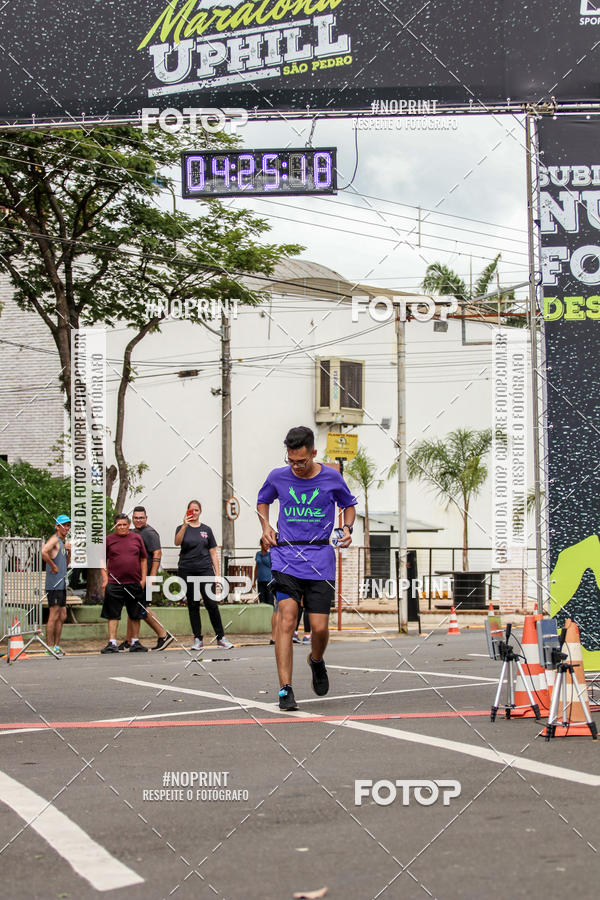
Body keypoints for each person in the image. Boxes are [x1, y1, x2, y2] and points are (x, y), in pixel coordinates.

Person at [257, 425, 356, 710]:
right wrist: (266, 526)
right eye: (291, 461)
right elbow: (262, 500)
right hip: (286, 555)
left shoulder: (331, 477)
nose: (297, 467)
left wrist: (347, 527)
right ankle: (285, 689)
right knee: (286, 618)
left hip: (320, 558)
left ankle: (316, 660)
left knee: (320, 628)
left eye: (302, 461)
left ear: (313, 453)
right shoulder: (277, 476)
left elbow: (348, 505)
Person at [174, 500, 234, 650]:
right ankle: (197, 639)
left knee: (211, 604)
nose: (193, 513)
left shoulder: (206, 530)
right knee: (193, 605)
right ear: (187, 511)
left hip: (205, 570)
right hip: (187, 570)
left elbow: (213, 552)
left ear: (200, 511)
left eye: (196, 510)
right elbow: (177, 542)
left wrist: (217, 574)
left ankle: (221, 638)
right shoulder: (181, 528)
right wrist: (184, 526)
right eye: (191, 510)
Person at [116, 506, 173, 652]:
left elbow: (157, 553)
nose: (138, 520)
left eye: (141, 517)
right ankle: (129, 641)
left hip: (145, 577)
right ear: (132, 519)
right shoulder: (134, 532)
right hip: (133, 578)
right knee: (134, 608)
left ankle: (163, 635)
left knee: (140, 608)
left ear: (146, 518)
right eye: (136, 518)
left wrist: (152, 575)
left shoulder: (150, 533)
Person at [100, 513, 148, 653]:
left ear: (129, 525)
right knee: (112, 614)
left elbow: (143, 559)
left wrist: (143, 579)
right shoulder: (109, 540)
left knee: (135, 613)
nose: (121, 527)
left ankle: (135, 641)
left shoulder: (137, 538)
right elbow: (102, 560)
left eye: (124, 525)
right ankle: (112, 642)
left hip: (134, 582)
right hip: (114, 583)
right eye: (118, 525)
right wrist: (104, 579)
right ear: (115, 526)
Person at [41, 514, 71, 656]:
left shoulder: (62, 542)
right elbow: (44, 552)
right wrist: (52, 566)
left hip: (61, 585)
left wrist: (69, 551)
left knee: (62, 614)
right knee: (54, 614)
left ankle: (56, 646)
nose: (66, 528)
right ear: (57, 526)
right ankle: (49, 646)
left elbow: (66, 564)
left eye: (68, 525)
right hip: (54, 585)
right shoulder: (54, 539)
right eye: (64, 525)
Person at [253, 536, 276, 644]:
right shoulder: (258, 554)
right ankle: (263, 622)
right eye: (265, 544)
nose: (267, 546)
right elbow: (256, 567)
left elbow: (274, 567)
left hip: (269, 580)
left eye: (268, 544)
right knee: (262, 601)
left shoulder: (271, 554)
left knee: (270, 602)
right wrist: (254, 580)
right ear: (261, 544)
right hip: (260, 580)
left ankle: (271, 624)